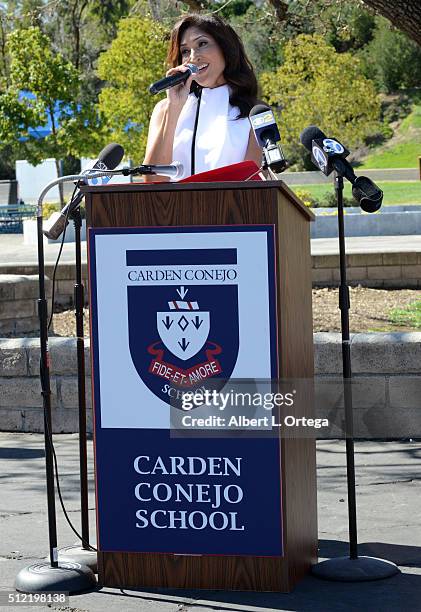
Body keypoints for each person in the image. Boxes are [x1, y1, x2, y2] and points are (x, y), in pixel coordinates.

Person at [143, 13, 262, 181]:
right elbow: (153, 181)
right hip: (174, 207)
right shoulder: (164, 109)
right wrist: (175, 107)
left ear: (225, 48)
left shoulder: (255, 111)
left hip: (228, 206)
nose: (193, 56)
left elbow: (254, 184)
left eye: (202, 44)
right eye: (185, 51)